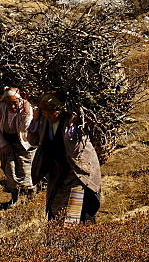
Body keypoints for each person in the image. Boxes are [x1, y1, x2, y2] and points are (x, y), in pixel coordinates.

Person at [27, 93, 101, 225]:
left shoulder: (73, 121)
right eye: (44, 112)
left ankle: (83, 238)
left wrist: (72, 129)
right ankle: (59, 238)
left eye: (51, 113)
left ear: (60, 111)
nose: (48, 116)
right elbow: (33, 141)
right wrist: (35, 120)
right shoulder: (44, 121)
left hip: (77, 171)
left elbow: (77, 151)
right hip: (57, 171)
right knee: (55, 208)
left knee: (77, 209)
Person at [0, 87, 35, 204]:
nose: (12, 106)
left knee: (27, 170)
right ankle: (15, 197)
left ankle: (31, 189)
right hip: (7, 144)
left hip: (23, 144)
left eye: (15, 103)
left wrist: (26, 115)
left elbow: (25, 129)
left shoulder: (26, 109)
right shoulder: (0, 109)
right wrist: (3, 143)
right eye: (9, 103)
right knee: (9, 169)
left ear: (19, 101)